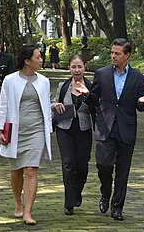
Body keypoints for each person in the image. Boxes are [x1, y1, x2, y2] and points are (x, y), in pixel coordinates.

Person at [76, 38, 144, 221]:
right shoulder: (101, 74)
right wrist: (87, 95)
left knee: (123, 170)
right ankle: (105, 192)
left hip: (126, 128)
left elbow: (139, 103)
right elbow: (95, 99)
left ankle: (117, 207)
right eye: (112, 52)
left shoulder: (137, 77)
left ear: (127, 55)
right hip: (105, 127)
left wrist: (142, 103)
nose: (113, 56)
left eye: (117, 53)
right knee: (104, 164)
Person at [0, 45, 52, 226]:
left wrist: (48, 130)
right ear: (27, 61)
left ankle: (28, 212)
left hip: (36, 131)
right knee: (16, 171)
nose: (41, 59)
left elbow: (46, 107)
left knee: (31, 170)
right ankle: (17, 202)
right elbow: (3, 105)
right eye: (38, 57)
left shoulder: (44, 81)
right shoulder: (10, 80)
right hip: (15, 131)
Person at [52, 54, 94, 216]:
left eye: (80, 66)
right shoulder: (63, 86)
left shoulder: (91, 86)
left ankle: (78, 191)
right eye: (73, 67)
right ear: (69, 68)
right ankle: (69, 202)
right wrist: (57, 105)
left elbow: (98, 106)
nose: (77, 70)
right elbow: (54, 102)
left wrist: (88, 95)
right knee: (68, 163)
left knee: (82, 165)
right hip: (65, 129)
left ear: (85, 67)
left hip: (83, 130)